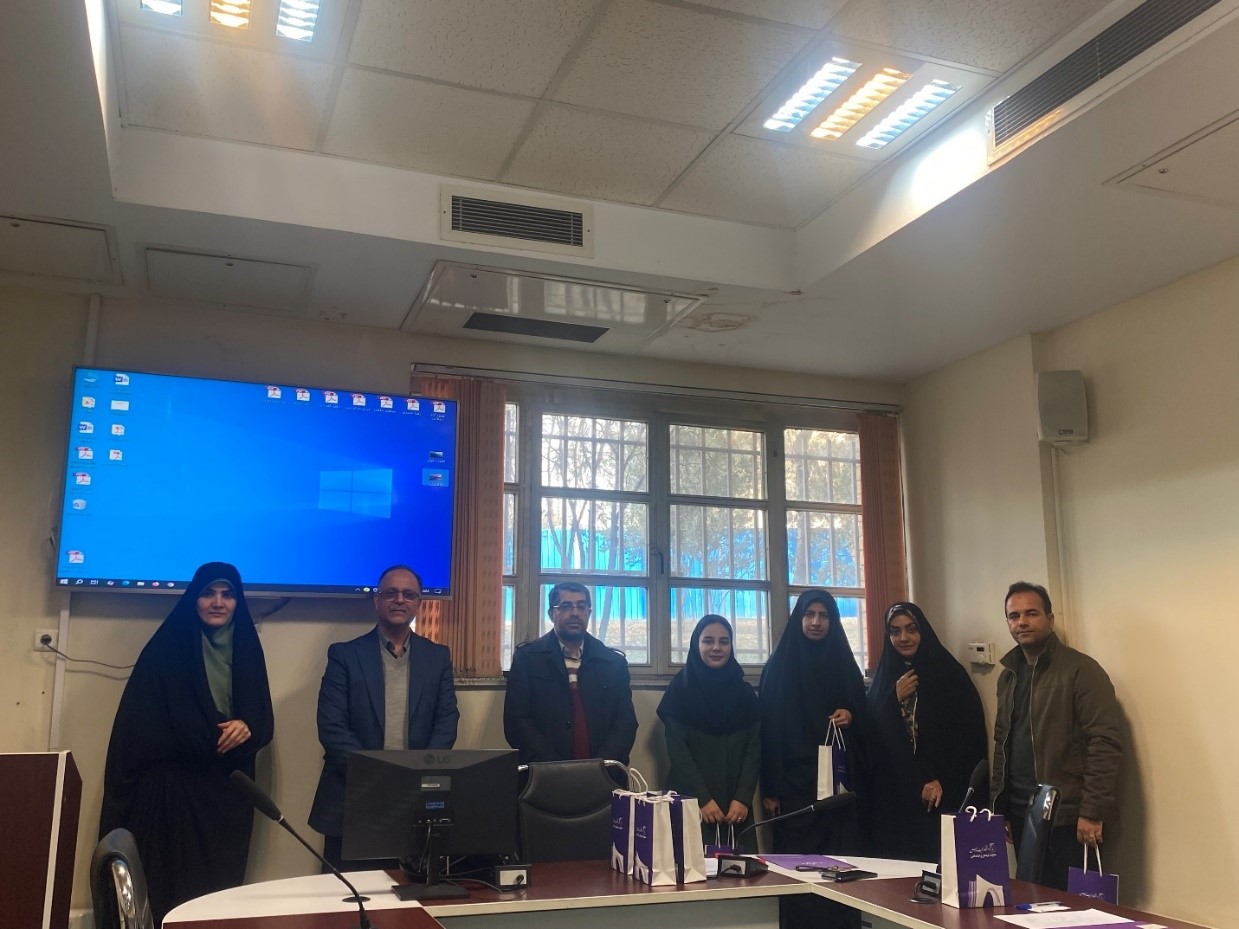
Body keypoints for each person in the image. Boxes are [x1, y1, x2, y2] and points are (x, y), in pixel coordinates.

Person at [99, 562, 274, 926]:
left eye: (228, 595)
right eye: (208, 593)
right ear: (194, 598)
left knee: (218, 894)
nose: (218, 602)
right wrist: (212, 737)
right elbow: (145, 727)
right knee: (172, 891)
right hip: (174, 798)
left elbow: (261, 718)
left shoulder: (247, 648)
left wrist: (248, 726)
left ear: (238, 602)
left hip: (227, 795)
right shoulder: (166, 649)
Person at [308, 564, 459, 869]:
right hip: (354, 794)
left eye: (408, 594)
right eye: (390, 593)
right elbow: (332, 727)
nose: (399, 600)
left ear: (419, 602)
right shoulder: (344, 655)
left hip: (415, 796)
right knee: (346, 892)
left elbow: (446, 721)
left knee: (409, 888)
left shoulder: (437, 656)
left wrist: (418, 774)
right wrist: (378, 776)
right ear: (376, 600)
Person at [992, 581, 1123, 891]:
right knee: (1030, 899)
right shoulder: (1008, 676)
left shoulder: (1081, 670)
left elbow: (1104, 743)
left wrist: (1092, 811)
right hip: (1022, 812)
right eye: (1014, 616)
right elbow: (1001, 743)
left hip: (1068, 815)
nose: (1022, 622)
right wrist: (1001, 809)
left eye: (1031, 613)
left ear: (1050, 619)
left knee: (1070, 905)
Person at [866, 602, 988, 861]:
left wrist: (941, 778)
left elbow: (969, 740)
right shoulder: (884, 679)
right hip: (896, 800)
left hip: (940, 796)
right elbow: (871, 735)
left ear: (923, 631)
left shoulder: (949, 675)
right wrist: (892, 700)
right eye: (895, 631)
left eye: (911, 629)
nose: (904, 638)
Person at [758, 589, 868, 853]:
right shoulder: (778, 668)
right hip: (793, 785)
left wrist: (850, 714)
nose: (816, 622)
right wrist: (771, 789)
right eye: (809, 614)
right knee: (796, 860)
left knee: (840, 856)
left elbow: (864, 712)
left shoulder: (844, 665)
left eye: (823, 616)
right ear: (799, 618)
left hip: (838, 783)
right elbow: (768, 731)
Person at [503, 582, 637, 765]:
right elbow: (516, 721)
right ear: (552, 614)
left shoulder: (612, 662)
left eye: (581, 606)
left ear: (589, 613)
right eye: (566, 606)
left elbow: (625, 722)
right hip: (543, 774)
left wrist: (599, 767)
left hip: (603, 773)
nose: (575, 613)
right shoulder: (528, 659)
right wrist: (553, 768)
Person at [657, 615, 760, 851]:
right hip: (690, 801)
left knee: (739, 870)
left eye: (724, 641)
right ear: (696, 644)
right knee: (688, 868)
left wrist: (743, 798)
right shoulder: (679, 691)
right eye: (708, 640)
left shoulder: (744, 694)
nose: (716, 647)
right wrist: (702, 798)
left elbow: (754, 751)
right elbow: (678, 753)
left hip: (736, 807)